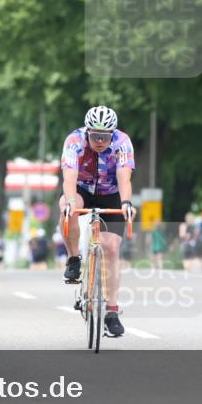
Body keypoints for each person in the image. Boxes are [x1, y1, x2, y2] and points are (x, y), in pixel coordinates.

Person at [60, 105, 135, 338]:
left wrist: (126, 203)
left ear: (113, 134)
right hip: (82, 188)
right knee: (66, 208)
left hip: (111, 193)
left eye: (105, 136)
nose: (100, 141)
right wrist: (71, 200)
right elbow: (69, 175)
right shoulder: (74, 140)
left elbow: (124, 176)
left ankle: (112, 312)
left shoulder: (122, 142)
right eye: (95, 136)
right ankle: (73, 258)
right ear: (88, 131)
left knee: (111, 247)